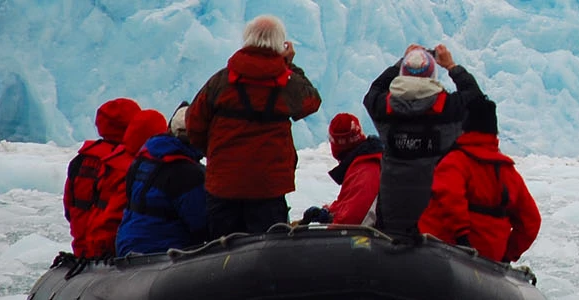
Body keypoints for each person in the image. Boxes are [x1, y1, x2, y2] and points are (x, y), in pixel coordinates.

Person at [185, 15, 321, 236]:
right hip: (268, 187)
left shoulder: (221, 80)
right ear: (280, 43)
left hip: (224, 184)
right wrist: (289, 65)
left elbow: (194, 124)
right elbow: (311, 102)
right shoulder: (287, 83)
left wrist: (216, 155)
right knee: (266, 252)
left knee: (222, 251)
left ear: (247, 39)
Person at [363, 44, 482, 239]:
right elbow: (475, 99)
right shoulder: (448, 110)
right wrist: (452, 66)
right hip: (434, 217)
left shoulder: (385, 110)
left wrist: (401, 61)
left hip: (393, 214)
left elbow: (374, 92)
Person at [419, 99, 540, 263]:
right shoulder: (509, 172)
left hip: (443, 253)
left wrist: (462, 238)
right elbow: (531, 222)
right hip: (490, 260)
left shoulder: (455, 161)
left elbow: (450, 197)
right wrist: (506, 256)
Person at [115, 104, 211, 255]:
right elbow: (201, 224)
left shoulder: (143, 158)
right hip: (162, 250)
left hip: (126, 244)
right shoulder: (188, 173)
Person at [62, 98, 140, 258]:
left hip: (81, 248)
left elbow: (69, 208)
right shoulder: (124, 164)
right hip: (111, 253)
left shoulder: (80, 160)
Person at [88, 109, 169, 257]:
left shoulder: (112, 161)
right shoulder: (134, 170)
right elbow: (114, 216)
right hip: (113, 250)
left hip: (92, 245)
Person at [303, 113, 384, 226]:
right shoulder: (364, 162)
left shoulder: (365, 169)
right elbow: (352, 202)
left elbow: (353, 220)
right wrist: (329, 212)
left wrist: (329, 228)